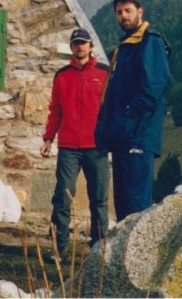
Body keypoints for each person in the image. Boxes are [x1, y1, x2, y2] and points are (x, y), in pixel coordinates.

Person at [95, 0, 171, 220]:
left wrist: (127, 116)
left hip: (138, 136)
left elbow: (154, 87)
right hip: (122, 138)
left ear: (140, 11)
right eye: (119, 12)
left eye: (128, 10)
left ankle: (138, 254)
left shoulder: (151, 41)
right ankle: (124, 254)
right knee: (123, 207)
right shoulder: (125, 47)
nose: (123, 16)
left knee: (137, 209)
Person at [40, 27, 110, 260]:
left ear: (91, 47)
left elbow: (110, 110)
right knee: (62, 196)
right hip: (69, 147)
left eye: (83, 43)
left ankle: (98, 251)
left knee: (99, 199)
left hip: (97, 146)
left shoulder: (105, 73)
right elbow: (56, 111)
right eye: (76, 43)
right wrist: (48, 138)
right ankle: (60, 251)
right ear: (71, 47)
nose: (80, 46)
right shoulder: (62, 75)